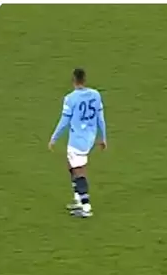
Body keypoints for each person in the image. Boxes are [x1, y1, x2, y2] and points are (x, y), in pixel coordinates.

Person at [48, 68, 107, 219]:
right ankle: (78, 199)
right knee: (71, 164)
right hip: (89, 138)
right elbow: (100, 118)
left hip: (77, 141)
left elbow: (64, 121)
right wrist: (103, 137)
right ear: (84, 80)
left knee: (79, 171)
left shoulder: (70, 98)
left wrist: (54, 138)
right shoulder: (95, 95)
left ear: (73, 80)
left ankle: (86, 207)